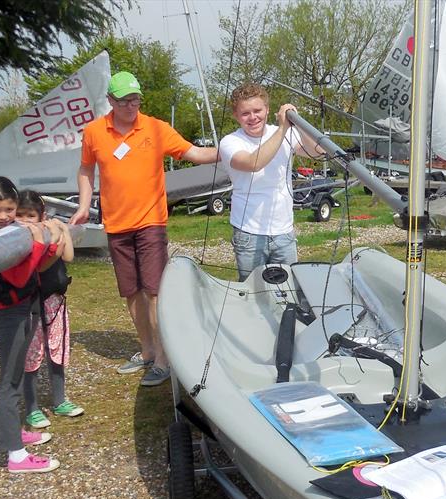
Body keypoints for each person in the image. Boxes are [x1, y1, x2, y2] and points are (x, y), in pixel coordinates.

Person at [70, 71, 219, 387]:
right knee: (132, 291)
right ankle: (148, 350)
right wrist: (84, 206)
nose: (131, 106)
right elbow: (85, 169)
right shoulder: (95, 132)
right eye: (124, 101)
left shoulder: (155, 127)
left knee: (154, 291)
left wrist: (235, 150)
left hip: (151, 222)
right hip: (116, 224)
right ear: (110, 101)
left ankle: (164, 360)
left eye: (135, 99)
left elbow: (196, 153)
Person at [0, 177, 61, 473]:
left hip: (25, 307)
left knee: (15, 376)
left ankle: (10, 433)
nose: (5, 216)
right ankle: (16, 457)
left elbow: (37, 264)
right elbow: (17, 277)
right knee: (10, 382)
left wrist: (48, 241)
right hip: (7, 315)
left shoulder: (8, 230)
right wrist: (35, 243)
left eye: (10, 208)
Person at [218, 83, 325, 281]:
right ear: (236, 115)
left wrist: (298, 123)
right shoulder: (230, 142)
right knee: (253, 292)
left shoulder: (284, 133)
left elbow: (318, 152)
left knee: (290, 292)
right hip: (248, 233)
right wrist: (283, 128)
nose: (253, 117)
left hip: (284, 231)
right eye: (245, 113)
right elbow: (254, 163)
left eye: (257, 110)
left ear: (267, 109)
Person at [16, 190, 84, 428]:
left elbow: (69, 257)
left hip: (54, 301)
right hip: (31, 304)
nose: (24, 220)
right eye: (19, 215)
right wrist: (53, 239)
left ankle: (60, 400)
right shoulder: (19, 240)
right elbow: (43, 265)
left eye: (30, 215)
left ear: (41, 215)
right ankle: (32, 408)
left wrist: (61, 230)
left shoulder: (49, 230)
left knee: (57, 350)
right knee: (31, 356)